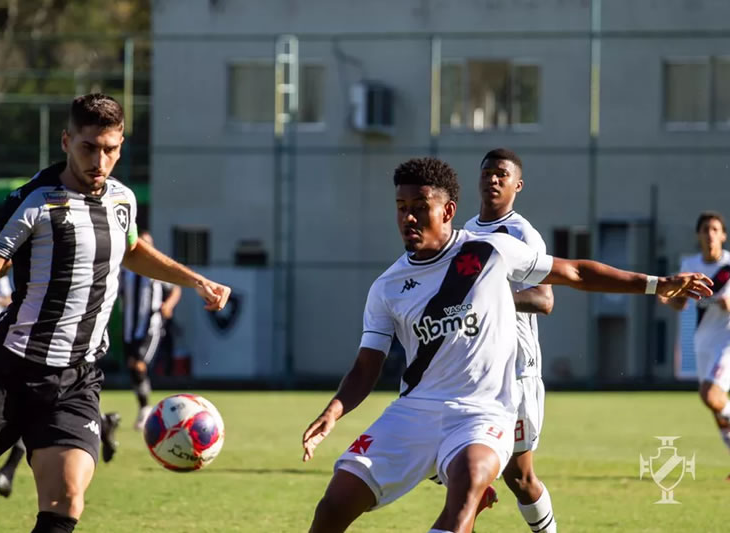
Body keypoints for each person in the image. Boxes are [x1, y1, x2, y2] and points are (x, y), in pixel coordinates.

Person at [301, 157, 711, 533]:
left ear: (446, 211)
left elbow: (576, 273)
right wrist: (334, 410)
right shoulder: (386, 287)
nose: (408, 216)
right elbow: (366, 367)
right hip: (414, 411)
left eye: (419, 206)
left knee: (468, 489)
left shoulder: (491, 250)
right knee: (332, 507)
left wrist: (657, 284)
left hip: (483, 411)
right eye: (400, 205)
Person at [0, 93, 231, 532]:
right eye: (88, 147)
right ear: (66, 141)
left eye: (110, 149)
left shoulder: (121, 200)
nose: (99, 160)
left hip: (77, 378)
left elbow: (131, 251)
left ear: (122, 145)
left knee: (66, 500)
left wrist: (194, 280)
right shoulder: (32, 202)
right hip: (9, 372)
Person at [462, 149, 556, 531]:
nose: (493, 179)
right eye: (487, 173)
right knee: (444, 451)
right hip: (475, 367)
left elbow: (544, 299)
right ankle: (473, 488)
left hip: (517, 371)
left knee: (519, 478)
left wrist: (492, 298)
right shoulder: (465, 231)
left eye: (502, 174)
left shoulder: (522, 234)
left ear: (517, 185)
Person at [659, 211, 730, 472]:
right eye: (705, 230)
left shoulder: (729, 266)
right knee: (714, 405)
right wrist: (668, 297)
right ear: (698, 235)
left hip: (727, 340)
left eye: (715, 229)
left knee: (711, 395)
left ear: (723, 235)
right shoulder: (690, 265)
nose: (710, 234)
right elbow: (680, 304)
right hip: (703, 341)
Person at [121, 231, 182, 429]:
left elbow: (175, 289)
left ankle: (147, 410)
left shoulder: (156, 270)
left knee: (139, 364)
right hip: (130, 326)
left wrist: (169, 305)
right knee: (132, 364)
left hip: (151, 324)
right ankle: (144, 407)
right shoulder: (125, 269)